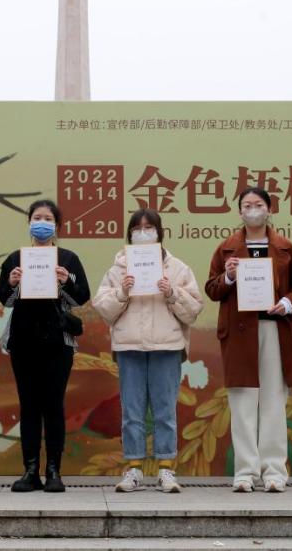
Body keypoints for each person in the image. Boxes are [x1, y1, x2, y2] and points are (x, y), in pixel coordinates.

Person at [205, 187, 292, 493]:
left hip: (275, 330)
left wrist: (287, 303)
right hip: (240, 334)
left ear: (269, 209)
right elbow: (212, 289)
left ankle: (274, 471)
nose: (253, 210)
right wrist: (228, 277)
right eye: (247, 205)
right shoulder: (226, 249)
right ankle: (245, 472)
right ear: (240, 212)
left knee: (274, 402)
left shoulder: (286, 247)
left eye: (258, 204)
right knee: (242, 404)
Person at [92, 209, 203, 493]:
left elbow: (193, 310)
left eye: (149, 227)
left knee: (165, 411)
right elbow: (103, 309)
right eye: (137, 228)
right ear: (130, 234)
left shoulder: (178, 269)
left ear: (159, 232)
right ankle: (134, 469)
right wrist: (122, 292)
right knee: (132, 411)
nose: (143, 233)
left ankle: (166, 469)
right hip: (129, 347)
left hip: (166, 347)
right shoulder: (117, 270)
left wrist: (172, 292)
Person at [0, 199, 90, 493]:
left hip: (57, 343)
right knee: (29, 406)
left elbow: (81, 298)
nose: (42, 223)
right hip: (23, 341)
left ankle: (53, 471)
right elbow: (5, 300)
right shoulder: (16, 259)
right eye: (37, 218)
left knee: (53, 405)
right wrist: (12, 283)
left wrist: (64, 282)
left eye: (48, 219)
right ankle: (30, 471)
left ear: (57, 225)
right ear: (29, 223)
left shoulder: (69, 259)